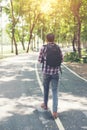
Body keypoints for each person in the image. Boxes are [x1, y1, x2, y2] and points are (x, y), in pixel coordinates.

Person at [38, 33, 63, 118]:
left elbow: (39, 60)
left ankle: (45, 105)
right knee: (55, 92)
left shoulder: (43, 47)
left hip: (46, 72)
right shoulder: (58, 47)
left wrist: (45, 60)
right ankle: (55, 112)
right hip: (55, 73)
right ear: (54, 39)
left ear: (46, 39)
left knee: (46, 89)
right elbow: (62, 59)